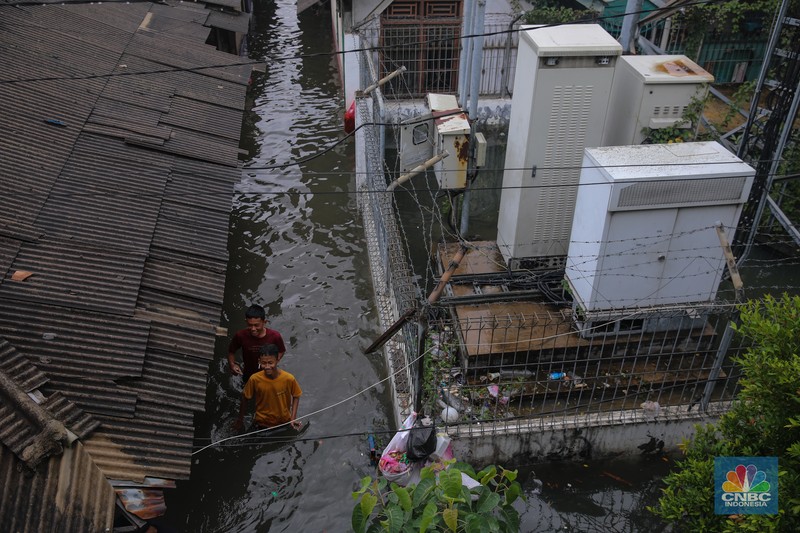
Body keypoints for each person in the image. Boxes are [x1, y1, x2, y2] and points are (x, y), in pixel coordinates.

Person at [234, 345, 302, 431]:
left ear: (277, 360)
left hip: (283, 422)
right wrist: (240, 421)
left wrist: (293, 418)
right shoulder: (254, 379)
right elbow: (245, 398)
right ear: (259, 361)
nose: (267, 367)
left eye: (270, 363)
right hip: (261, 423)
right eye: (263, 363)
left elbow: (296, 395)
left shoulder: (289, 378)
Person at [227, 304, 286, 382]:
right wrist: (232, 365)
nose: (253, 329)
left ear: (264, 322)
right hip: (249, 372)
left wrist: (273, 362)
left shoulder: (275, 336)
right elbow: (231, 351)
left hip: (268, 371)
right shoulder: (240, 335)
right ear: (246, 321)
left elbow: (281, 351)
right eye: (250, 325)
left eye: (256, 325)